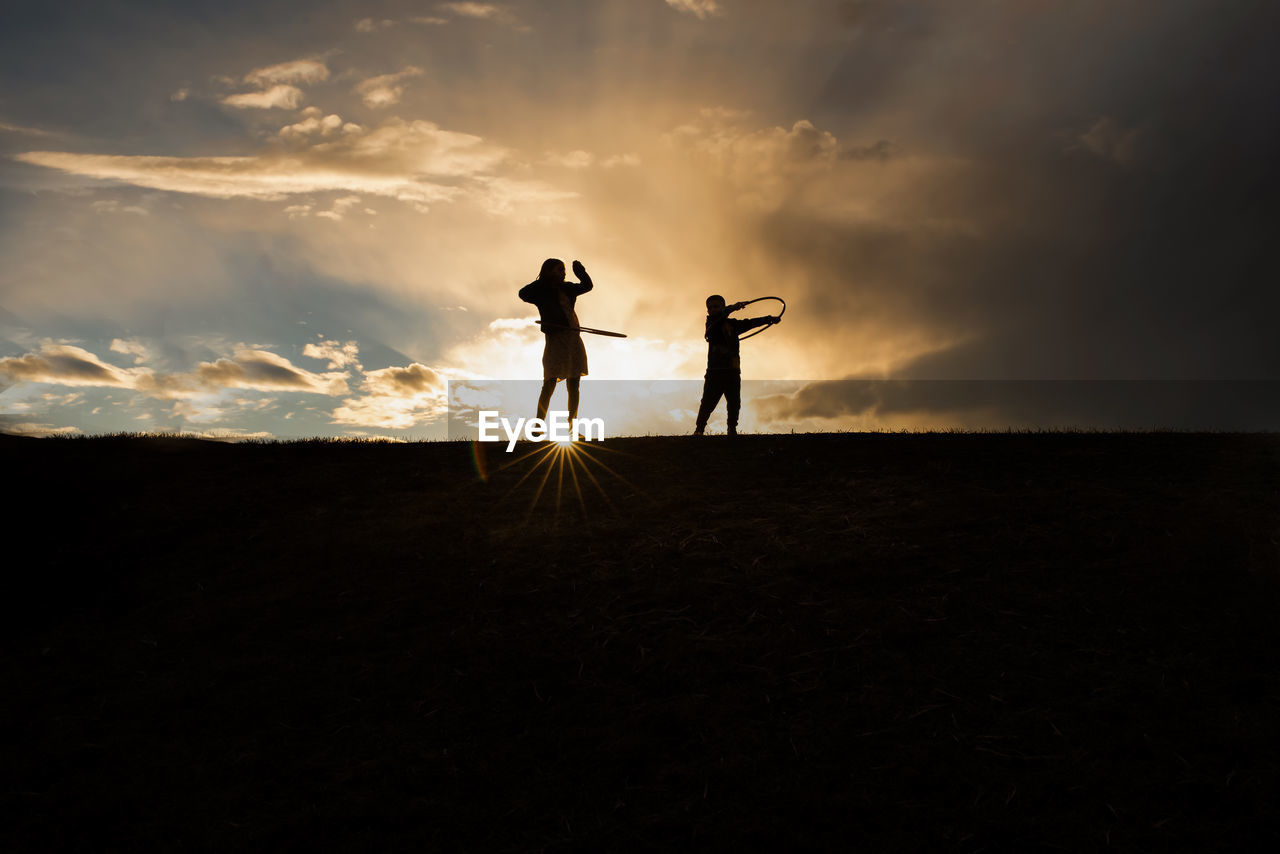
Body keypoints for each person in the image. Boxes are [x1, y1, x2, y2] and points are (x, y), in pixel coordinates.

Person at [518, 258, 593, 422]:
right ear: (548, 271)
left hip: (573, 339)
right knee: (550, 383)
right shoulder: (541, 292)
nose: (563, 273)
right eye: (559, 269)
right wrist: (544, 280)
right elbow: (522, 293)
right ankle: (539, 423)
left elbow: (587, 286)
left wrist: (581, 272)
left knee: (574, 384)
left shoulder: (568, 289)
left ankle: (572, 424)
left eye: (564, 270)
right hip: (555, 340)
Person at [694, 295, 779, 436]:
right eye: (710, 308)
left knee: (734, 402)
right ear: (708, 311)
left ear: (722, 307)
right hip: (714, 372)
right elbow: (718, 319)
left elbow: (751, 323)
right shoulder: (710, 323)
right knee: (708, 403)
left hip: (732, 371)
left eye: (716, 306)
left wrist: (769, 319)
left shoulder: (733, 325)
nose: (713, 309)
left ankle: (731, 429)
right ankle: (699, 430)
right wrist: (732, 308)